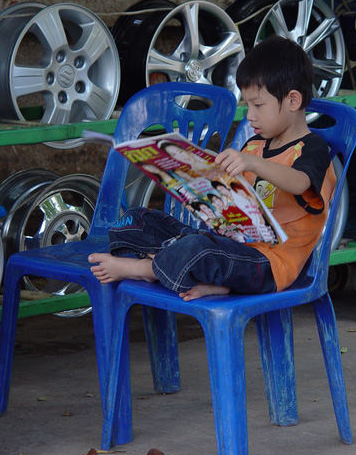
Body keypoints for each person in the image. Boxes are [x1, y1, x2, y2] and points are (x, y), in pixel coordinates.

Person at [89, 35, 336, 301]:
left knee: (199, 250)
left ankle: (146, 268)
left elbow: (301, 183)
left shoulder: (312, 149)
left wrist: (254, 163)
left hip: (270, 264)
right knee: (135, 221)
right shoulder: (255, 145)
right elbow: (233, 192)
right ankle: (191, 272)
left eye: (258, 105)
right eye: (247, 105)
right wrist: (199, 165)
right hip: (229, 246)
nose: (250, 115)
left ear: (293, 101)